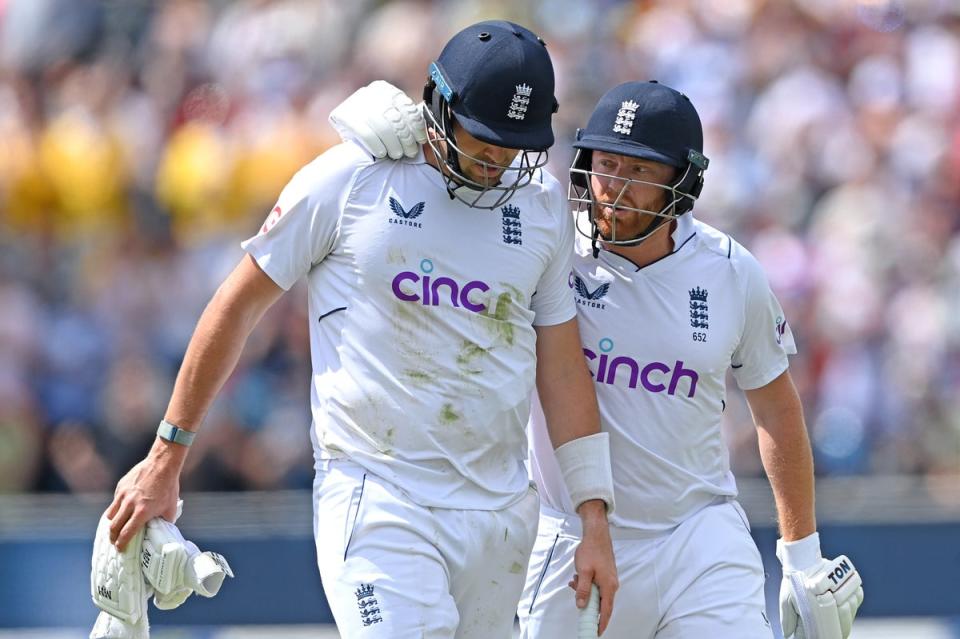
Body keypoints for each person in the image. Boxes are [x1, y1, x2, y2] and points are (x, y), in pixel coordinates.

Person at [103, 20, 619, 639]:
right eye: (483, 142)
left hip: (502, 513)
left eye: (512, 149)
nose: (497, 164)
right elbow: (236, 306)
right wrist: (167, 455)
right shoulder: (348, 179)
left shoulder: (540, 207)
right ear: (438, 104)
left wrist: (594, 517)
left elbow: (562, 367)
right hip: (379, 497)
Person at [331, 80, 864, 639]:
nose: (614, 188)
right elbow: (464, 172)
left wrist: (803, 557)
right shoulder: (542, 242)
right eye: (606, 164)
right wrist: (398, 129)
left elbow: (776, 409)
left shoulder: (732, 272)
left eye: (640, 172)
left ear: (682, 182)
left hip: (698, 537)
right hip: (570, 539)